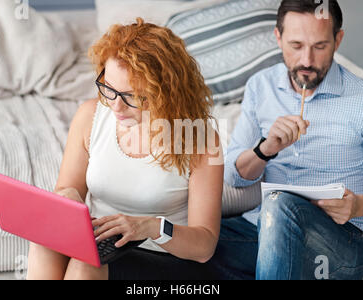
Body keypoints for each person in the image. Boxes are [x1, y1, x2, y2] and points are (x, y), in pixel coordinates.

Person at [209, 0, 363, 280]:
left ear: (338, 40)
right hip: (262, 230)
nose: (307, 60)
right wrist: (265, 149)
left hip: (341, 241)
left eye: (320, 46)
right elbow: (235, 177)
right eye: (296, 46)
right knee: (189, 237)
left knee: (278, 202)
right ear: (278, 38)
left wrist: (358, 205)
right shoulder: (261, 86)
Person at [26, 18, 223, 280]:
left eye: (132, 96)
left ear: (166, 92)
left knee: (85, 266)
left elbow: (204, 246)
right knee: (44, 246)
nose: (116, 107)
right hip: (101, 244)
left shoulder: (202, 139)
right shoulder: (89, 116)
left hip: (163, 256)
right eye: (109, 89)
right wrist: (67, 197)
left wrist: (150, 226)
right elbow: (67, 188)